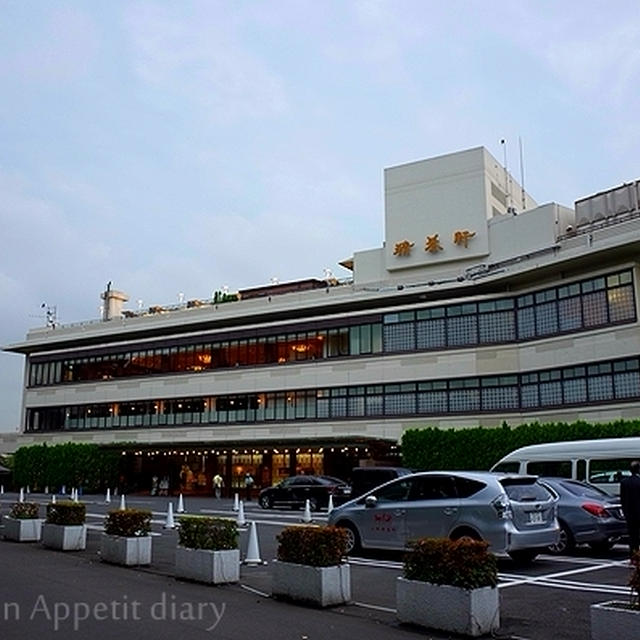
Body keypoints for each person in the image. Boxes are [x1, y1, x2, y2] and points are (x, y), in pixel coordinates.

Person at [620, 460, 640, 556]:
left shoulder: (624, 482)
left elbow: (623, 499)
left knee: (632, 536)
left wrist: (625, 511)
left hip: (630, 513)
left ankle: (633, 554)